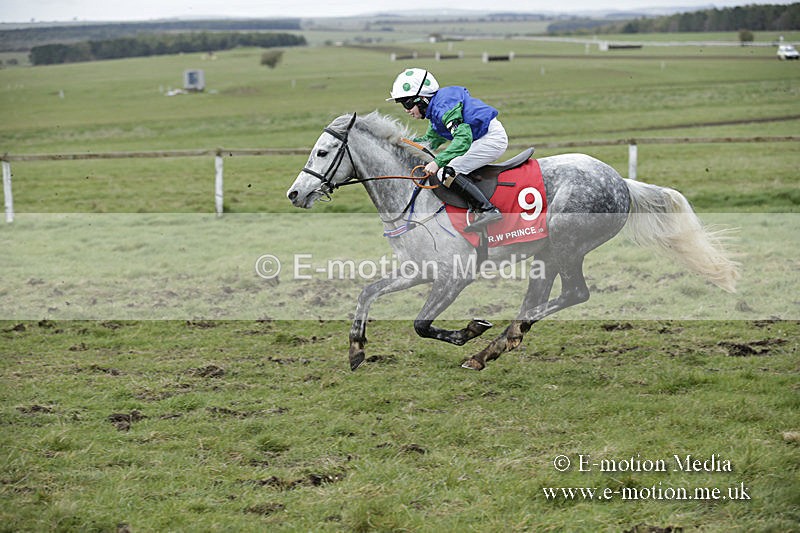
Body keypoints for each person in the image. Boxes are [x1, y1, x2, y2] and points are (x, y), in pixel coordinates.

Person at [387, 67, 507, 232]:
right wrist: (402, 144)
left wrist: (437, 162)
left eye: (408, 103)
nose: (406, 110)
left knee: (446, 172)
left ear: (423, 99)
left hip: (491, 139)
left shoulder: (444, 109)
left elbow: (463, 139)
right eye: (403, 104)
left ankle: (487, 210)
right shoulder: (436, 111)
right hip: (478, 138)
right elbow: (430, 141)